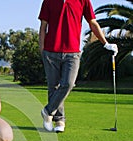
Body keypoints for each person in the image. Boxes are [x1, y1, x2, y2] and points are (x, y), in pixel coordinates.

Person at [38, 0, 118, 133]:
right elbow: (43, 27)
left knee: (68, 83)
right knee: (54, 87)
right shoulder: (48, 1)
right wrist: (42, 50)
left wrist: (106, 43)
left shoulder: (83, 0)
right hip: (50, 51)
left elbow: (92, 22)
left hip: (72, 53)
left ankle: (47, 111)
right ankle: (59, 120)